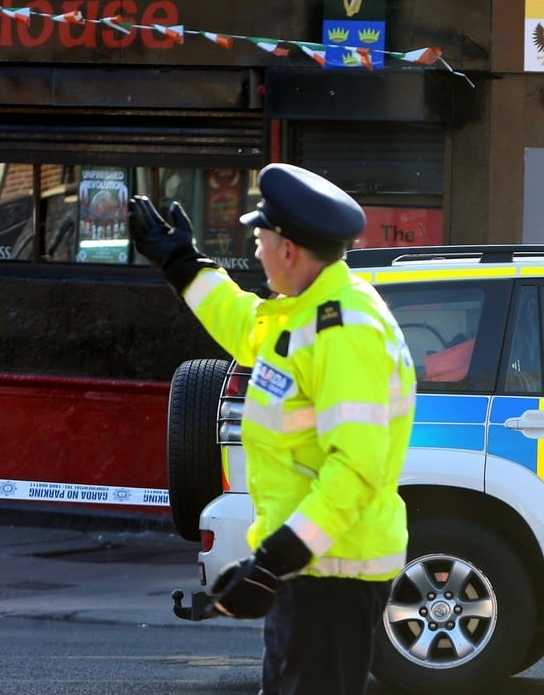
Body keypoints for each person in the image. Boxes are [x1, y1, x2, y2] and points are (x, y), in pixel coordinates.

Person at [129, 163, 417, 695]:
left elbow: (354, 471)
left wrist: (272, 563)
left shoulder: (344, 332)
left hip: (331, 573)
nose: (255, 250)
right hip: (312, 568)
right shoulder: (303, 311)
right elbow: (243, 322)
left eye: (260, 239)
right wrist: (182, 264)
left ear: (288, 249)